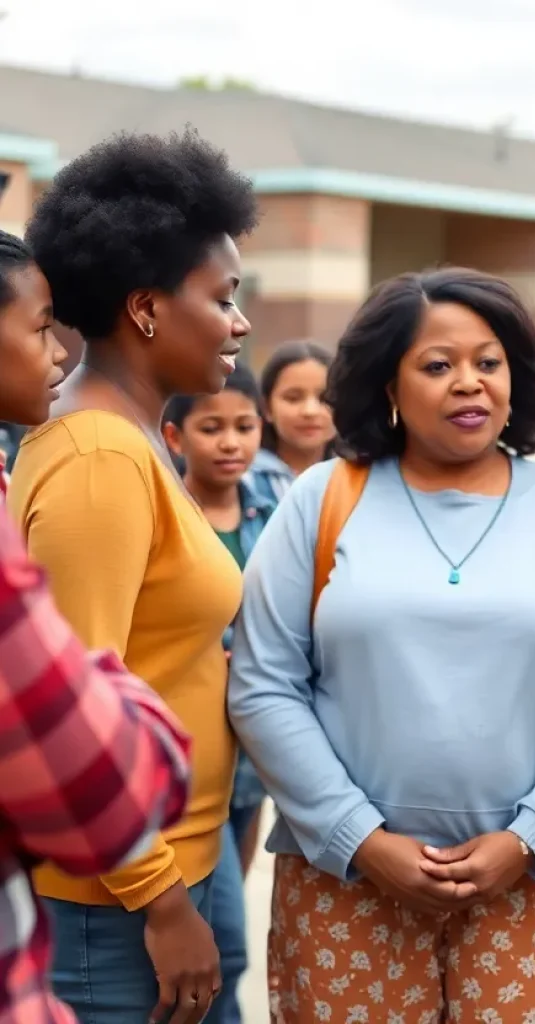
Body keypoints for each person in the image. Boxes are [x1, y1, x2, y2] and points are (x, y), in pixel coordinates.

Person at [228, 267, 535, 1023]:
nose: (469, 383)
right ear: (389, 384)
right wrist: (359, 838)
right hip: (347, 887)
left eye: (488, 363)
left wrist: (529, 839)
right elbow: (264, 684)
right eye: (438, 365)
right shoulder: (323, 499)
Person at [7, 129, 258, 1024]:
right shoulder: (98, 458)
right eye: (224, 298)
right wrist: (161, 902)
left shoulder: (137, 440)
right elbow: (70, 719)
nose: (241, 322)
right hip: (114, 903)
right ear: (148, 308)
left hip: (181, 861)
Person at [0, 228, 193, 1023]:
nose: (58, 351)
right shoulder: (97, 456)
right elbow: (101, 788)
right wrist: (113, 684)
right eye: (42, 327)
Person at [162, 364, 276, 1024]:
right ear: (176, 437)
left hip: (249, 749)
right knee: (223, 942)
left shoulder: (272, 505)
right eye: (212, 428)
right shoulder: (171, 508)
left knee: (227, 884)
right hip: (192, 742)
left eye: (244, 426)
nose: (231, 442)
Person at [247, 339, 335, 502]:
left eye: (325, 398)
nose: (310, 411)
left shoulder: (359, 478)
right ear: (267, 407)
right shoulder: (246, 481)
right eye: (293, 398)